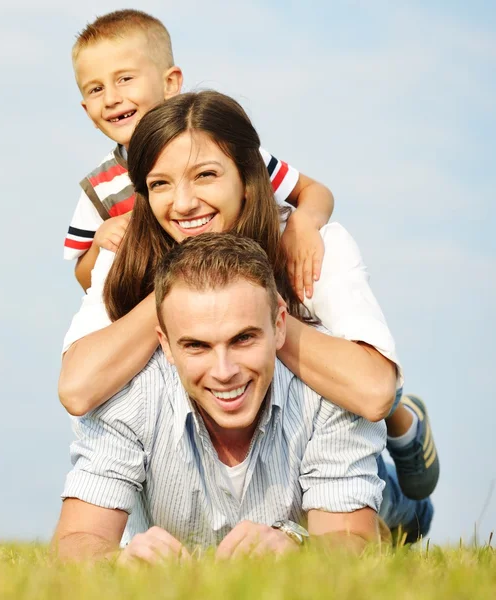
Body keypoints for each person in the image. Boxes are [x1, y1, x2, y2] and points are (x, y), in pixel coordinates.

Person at [59, 90, 439, 505]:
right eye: (160, 185)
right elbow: (78, 390)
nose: (183, 204)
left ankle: (404, 499)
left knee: (397, 509)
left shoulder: (311, 246)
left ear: (246, 179)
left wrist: (254, 302)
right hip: (199, 491)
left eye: (205, 175)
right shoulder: (125, 257)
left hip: (324, 476)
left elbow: (372, 392)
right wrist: (179, 288)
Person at [54, 233, 391, 563]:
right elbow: (76, 540)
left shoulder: (329, 393)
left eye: (243, 339)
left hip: (378, 484)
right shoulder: (130, 396)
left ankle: (406, 434)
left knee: (394, 518)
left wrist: (298, 551)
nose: (224, 371)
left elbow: (353, 542)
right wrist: (118, 564)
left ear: (280, 326)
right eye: (196, 346)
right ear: (166, 345)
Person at [63, 9, 334, 301]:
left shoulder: (221, 147)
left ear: (170, 83)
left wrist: (302, 223)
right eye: (96, 89)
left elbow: (314, 191)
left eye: (125, 79)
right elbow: (85, 278)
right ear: (87, 112)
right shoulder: (99, 188)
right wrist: (99, 244)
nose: (111, 98)